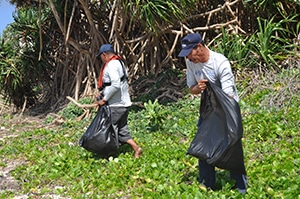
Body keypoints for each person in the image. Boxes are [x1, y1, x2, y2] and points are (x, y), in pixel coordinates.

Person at [178, 33, 247, 193]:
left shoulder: (220, 62)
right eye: (186, 55)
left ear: (200, 47)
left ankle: (240, 187)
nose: (188, 58)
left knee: (232, 144)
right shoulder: (191, 62)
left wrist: (224, 120)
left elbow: (228, 94)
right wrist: (198, 88)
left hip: (227, 108)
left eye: (190, 53)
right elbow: (191, 89)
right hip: (208, 110)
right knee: (204, 144)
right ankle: (206, 184)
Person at [95, 43, 142, 158]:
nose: (101, 59)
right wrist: (103, 93)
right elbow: (116, 84)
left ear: (104, 55)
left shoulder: (111, 65)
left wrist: (104, 99)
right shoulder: (119, 63)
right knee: (122, 128)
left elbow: (115, 85)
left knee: (109, 129)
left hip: (115, 105)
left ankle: (110, 154)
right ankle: (136, 148)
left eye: (101, 56)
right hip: (124, 103)